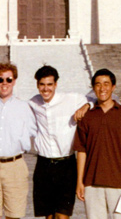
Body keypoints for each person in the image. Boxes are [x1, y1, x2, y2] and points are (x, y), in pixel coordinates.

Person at [73, 68, 121, 219]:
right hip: (92, 183)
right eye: (98, 84)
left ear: (113, 87)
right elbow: (81, 151)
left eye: (106, 84)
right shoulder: (86, 116)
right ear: (93, 88)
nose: (102, 88)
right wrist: (80, 181)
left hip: (120, 182)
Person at [29, 65, 92, 219]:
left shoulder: (71, 99)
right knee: (49, 216)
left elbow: (96, 98)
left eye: (49, 84)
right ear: (37, 85)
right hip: (43, 165)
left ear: (56, 84)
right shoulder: (33, 103)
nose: (46, 89)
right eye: (42, 84)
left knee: (62, 216)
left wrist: (86, 106)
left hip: (66, 166)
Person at [0, 62, 36, 219]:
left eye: (8, 79)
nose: (5, 83)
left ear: (14, 81)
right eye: (0, 79)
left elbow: (34, 131)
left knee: (14, 215)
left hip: (15, 166)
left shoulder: (24, 106)